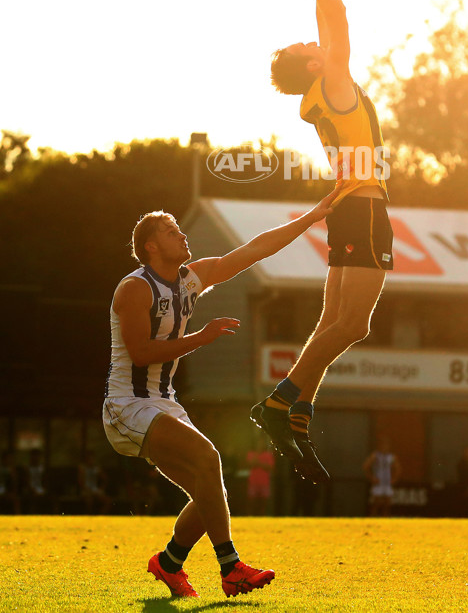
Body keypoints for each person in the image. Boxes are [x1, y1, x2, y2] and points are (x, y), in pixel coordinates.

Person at [103, 189, 338, 599]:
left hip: (162, 403)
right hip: (128, 406)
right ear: (151, 246)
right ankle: (231, 569)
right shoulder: (134, 288)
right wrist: (202, 336)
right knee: (210, 459)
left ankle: (170, 562)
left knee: (209, 488)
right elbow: (139, 354)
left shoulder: (190, 278)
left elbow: (255, 249)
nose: (183, 236)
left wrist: (313, 216)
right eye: (173, 231)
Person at [251, 0, 393, 485]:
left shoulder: (319, 89)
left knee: (336, 321)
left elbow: (326, 22)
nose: (316, 41)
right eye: (309, 45)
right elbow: (336, 18)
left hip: (349, 206)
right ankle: (281, 401)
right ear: (314, 62)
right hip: (360, 206)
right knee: (350, 324)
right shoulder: (332, 80)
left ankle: (299, 406)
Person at [363, 435, 401, 516]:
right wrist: (371, 478)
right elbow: (366, 466)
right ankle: (373, 520)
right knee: (376, 504)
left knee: (387, 505)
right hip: (378, 482)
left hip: (387, 483)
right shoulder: (375, 455)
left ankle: (385, 522)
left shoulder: (391, 457)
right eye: (383, 445)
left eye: (386, 445)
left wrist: (394, 479)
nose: (385, 446)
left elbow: (398, 468)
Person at [245, 433, 275, 516]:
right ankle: (250, 516)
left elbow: (270, 467)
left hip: (264, 481)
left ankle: (262, 516)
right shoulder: (251, 453)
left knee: (263, 502)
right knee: (252, 501)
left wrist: (258, 463)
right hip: (253, 481)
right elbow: (251, 464)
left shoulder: (268, 455)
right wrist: (258, 455)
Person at [78, 450, 112, 514]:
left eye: (92, 458)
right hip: (85, 490)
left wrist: (102, 488)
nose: (90, 460)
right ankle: (89, 517)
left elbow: (105, 478)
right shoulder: (82, 468)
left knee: (108, 501)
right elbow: (80, 481)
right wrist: (87, 490)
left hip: (95, 490)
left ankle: (101, 516)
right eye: (89, 458)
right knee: (89, 501)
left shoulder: (96, 468)